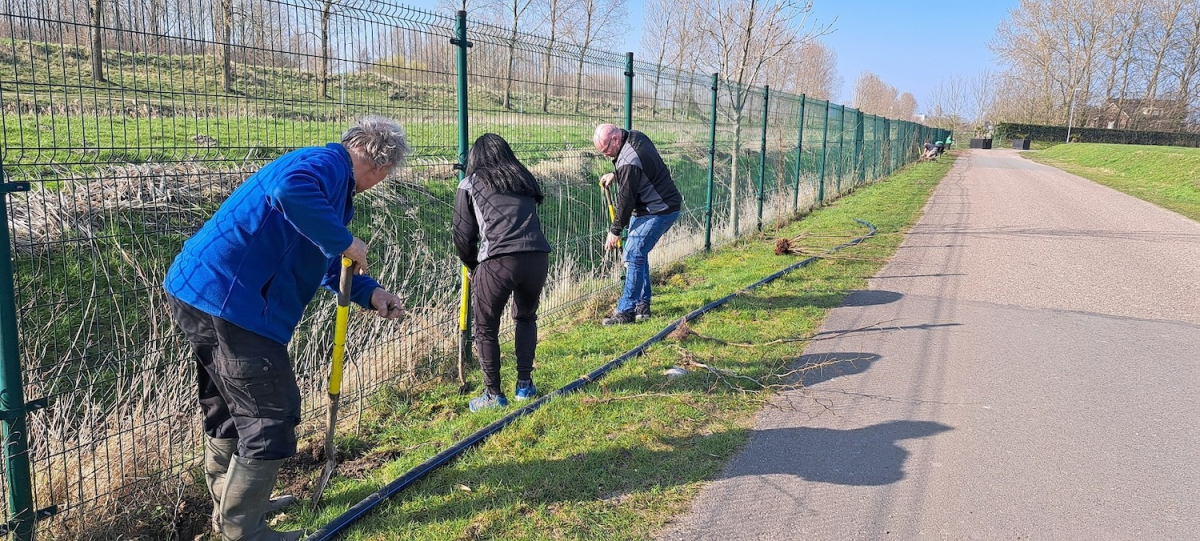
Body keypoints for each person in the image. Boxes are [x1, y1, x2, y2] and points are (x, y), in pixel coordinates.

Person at [164, 116, 409, 540]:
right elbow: (290, 193)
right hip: (234, 302)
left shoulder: (326, 177)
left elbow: (320, 253)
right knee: (270, 416)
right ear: (380, 166)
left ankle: (234, 505)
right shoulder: (327, 167)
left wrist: (369, 293)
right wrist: (347, 241)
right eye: (386, 176)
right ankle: (244, 530)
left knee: (227, 407)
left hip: (196, 289)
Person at [453, 133, 553, 411]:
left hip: (497, 260)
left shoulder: (470, 184)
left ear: (474, 159)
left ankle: (493, 395)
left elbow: (463, 235)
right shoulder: (523, 179)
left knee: (486, 328)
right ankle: (524, 385)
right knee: (525, 318)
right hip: (536, 257)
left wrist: (472, 265)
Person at [592, 123, 682, 325]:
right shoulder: (634, 136)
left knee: (633, 253)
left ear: (615, 139)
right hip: (650, 206)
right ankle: (642, 305)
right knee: (637, 253)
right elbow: (639, 166)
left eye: (606, 150)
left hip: (660, 209)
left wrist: (615, 231)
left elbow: (625, 200)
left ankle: (626, 311)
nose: (606, 155)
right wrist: (616, 174)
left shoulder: (629, 161)